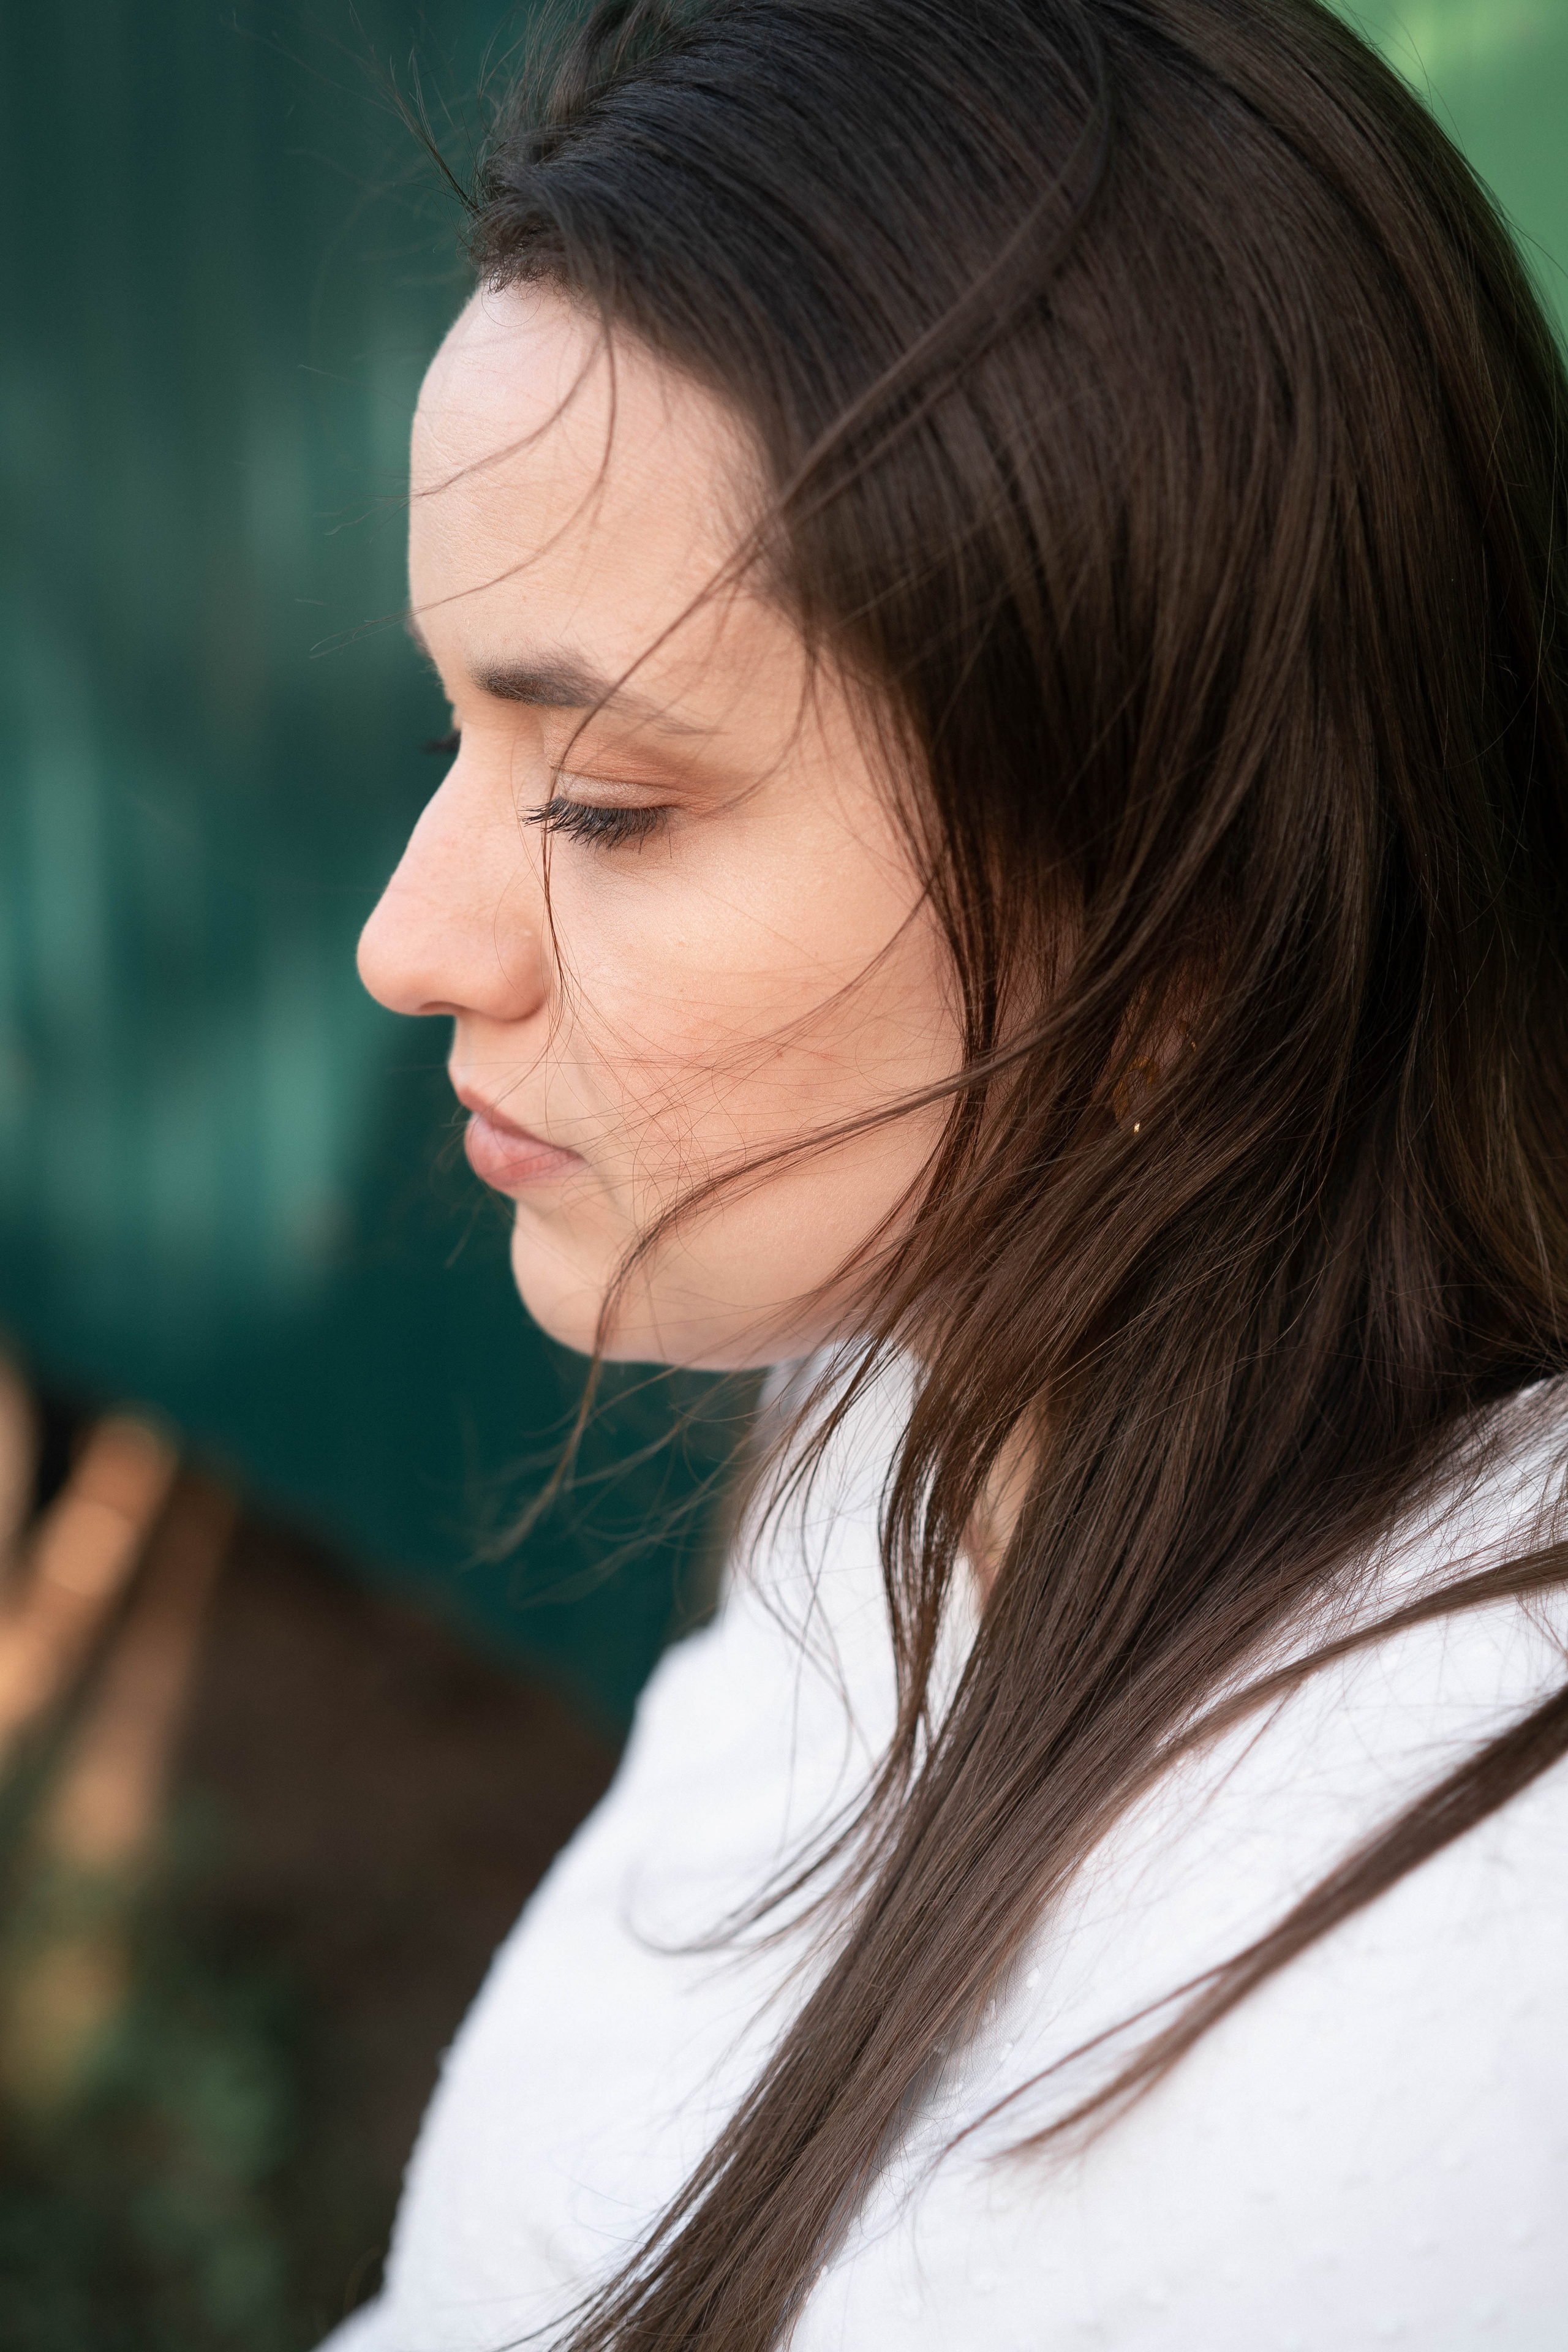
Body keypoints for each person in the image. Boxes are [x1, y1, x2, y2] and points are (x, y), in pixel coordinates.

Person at [331, 1, 1568, 2343]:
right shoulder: (896, 1412)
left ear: (1193, 916)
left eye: (607, 803)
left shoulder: (1476, 2024)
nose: (409, 945)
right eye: (447, 731)